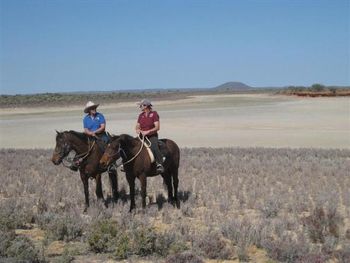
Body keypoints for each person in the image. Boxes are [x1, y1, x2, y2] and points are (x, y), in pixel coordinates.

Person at [136, 99, 164, 173]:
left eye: (141, 105)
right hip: (141, 136)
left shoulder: (154, 114)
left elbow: (157, 127)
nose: (140, 107)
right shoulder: (140, 115)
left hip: (152, 136)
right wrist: (138, 130)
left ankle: (159, 163)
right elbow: (137, 126)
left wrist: (148, 131)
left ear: (146, 106)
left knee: (154, 146)